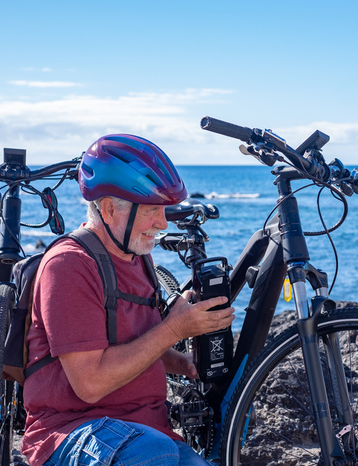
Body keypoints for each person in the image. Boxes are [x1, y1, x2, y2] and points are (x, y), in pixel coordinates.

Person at [21, 134, 235, 466]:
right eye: (152, 210)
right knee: (154, 452)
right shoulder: (69, 265)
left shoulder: (137, 256)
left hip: (148, 432)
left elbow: (131, 343)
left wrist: (182, 362)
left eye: (164, 210)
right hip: (72, 431)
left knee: (165, 451)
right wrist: (173, 329)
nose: (163, 224)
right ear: (108, 209)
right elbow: (90, 383)